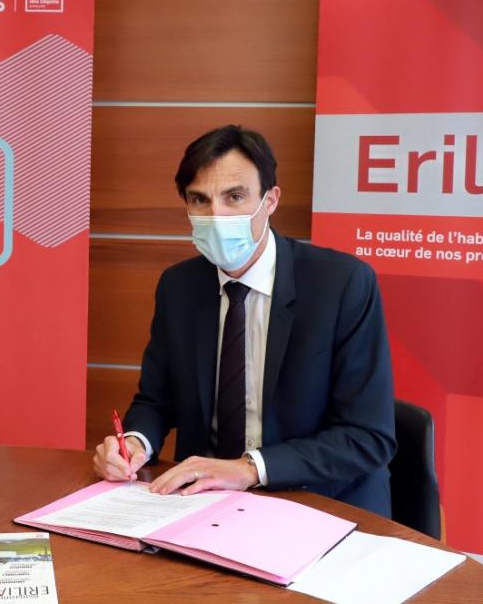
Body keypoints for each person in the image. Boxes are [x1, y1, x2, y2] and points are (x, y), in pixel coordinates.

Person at [92, 125, 396, 515]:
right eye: (199, 200)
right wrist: (133, 444)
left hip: (317, 502)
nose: (216, 215)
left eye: (234, 197)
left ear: (270, 200)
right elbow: (156, 399)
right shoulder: (179, 286)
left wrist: (250, 468)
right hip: (202, 505)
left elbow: (367, 436)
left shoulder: (341, 284)